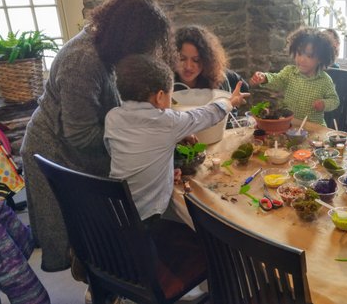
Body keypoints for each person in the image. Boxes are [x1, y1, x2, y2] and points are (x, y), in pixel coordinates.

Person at [20, 0, 172, 272]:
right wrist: (131, 140)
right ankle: (99, 283)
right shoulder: (83, 61)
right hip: (55, 150)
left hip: (77, 146)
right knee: (83, 237)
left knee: (98, 233)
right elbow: (79, 135)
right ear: (127, 38)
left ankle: (104, 276)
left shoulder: (107, 46)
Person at [104, 54, 248, 222]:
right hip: (146, 218)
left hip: (115, 209)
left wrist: (163, 172)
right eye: (169, 96)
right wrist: (230, 102)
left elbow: (124, 154)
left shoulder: (112, 117)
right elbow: (204, 115)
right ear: (159, 96)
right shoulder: (167, 121)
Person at [250, 27, 340, 126]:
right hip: (290, 124)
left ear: (320, 59)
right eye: (299, 53)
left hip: (314, 127)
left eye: (309, 56)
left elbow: (334, 100)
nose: (302, 60)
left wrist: (324, 104)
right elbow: (277, 80)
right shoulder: (289, 72)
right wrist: (265, 78)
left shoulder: (325, 80)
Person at [174, 25, 249, 93]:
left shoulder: (219, 78)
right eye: (182, 59)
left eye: (196, 60)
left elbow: (246, 90)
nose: (188, 66)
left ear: (207, 60)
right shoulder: (165, 83)